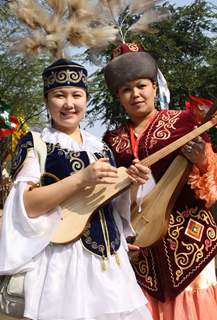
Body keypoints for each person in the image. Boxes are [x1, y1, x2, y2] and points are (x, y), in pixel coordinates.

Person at [0, 58, 154, 320]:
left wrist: (132, 185)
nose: (69, 104)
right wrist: (81, 178)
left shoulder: (101, 147)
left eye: (77, 95)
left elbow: (115, 208)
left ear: (86, 99)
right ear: (47, 100)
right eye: (59, 95)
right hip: (63, 262)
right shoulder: (36, 142)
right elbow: (27, 205)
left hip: (112, 265)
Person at [103, 42, 217, 320]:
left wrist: (202, 160)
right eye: (126, 90)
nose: (136, 94)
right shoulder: (111, 140)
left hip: (189, 243)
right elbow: (106, 197)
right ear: (119, 96)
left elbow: (211, 188)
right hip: (141, 250)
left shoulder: (185, 122)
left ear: (154, 86)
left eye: (141, 85)